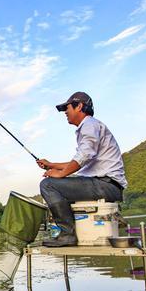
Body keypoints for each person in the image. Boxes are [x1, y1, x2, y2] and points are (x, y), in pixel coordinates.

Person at [36, 91, 127, 247]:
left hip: (105, 184)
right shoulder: (92, 126)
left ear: (79, 106)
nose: (65, 112)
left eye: (67, 107)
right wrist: (52, 165)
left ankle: (67, 235)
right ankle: (71, 232)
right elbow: (82, 160)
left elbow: (83, 156)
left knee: (48, 185)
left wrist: (61, 173)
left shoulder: (89, 124)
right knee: (56, 183)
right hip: (105, 184)